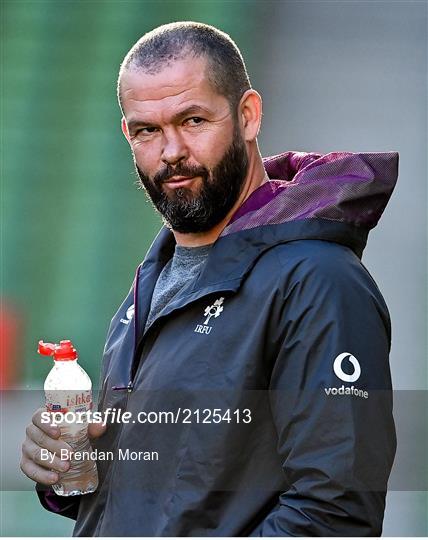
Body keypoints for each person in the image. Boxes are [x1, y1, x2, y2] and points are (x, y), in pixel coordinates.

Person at [21, 21, 398, 536]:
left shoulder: (320, 281)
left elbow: (335, 515)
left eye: (192, 120)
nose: (171, 151)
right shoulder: (156, 280)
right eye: (147, 130)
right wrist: (71, 465)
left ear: (247, 116)